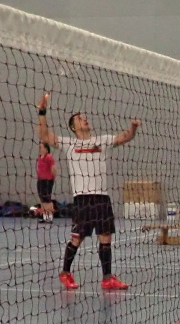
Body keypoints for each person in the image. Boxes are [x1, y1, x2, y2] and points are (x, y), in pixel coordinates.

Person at [36, 92, 140, 290]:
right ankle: (65, 273)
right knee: (77, 238)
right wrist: (42, 111)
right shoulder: (69, 144)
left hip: (102, 198)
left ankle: (107, 278)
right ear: (73, 127)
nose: (84, 119)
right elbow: (44, 136)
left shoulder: (102, 141)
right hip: (83, 199)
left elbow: (125, 137)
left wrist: (133, 128)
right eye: (79, 118)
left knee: (106, 237)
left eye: (84, 117)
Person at [35, 140, 56, 223]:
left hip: (47, 181)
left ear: (46, 149)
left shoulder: (49, 157)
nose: (39, 149)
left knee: (47, 198)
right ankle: (44, 216)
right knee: (42, 198)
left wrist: (52, 179)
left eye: (41, 147)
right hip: (40, 180)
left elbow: (54, 169)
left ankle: (50, 216)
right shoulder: (39, 157)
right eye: (39, 147)